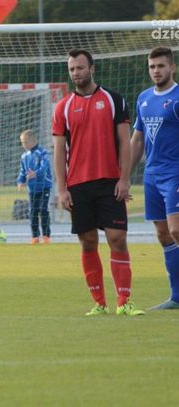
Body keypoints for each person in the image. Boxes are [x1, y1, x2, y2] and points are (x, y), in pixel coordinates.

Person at [52, 49, 144, 316]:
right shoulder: (63, 107)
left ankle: (124, 301)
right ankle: (99, 303)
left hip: (109, 182)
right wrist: (62, 189)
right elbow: (59, 151)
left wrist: (125, 179)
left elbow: (124, 143)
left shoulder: (114, 100)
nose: (76, 73)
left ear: (92, 69)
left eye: (80, 67)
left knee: (117, 238)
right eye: (72, 69)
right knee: (88, 241)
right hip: (78, 184)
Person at [131, 46, 179, 310]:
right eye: (152, 67)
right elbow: (137, 140)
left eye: (161, 66)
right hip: (151, 175)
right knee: (163, 234)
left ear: (172, 67)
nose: (156, 71)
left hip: (175, 173)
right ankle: (176, 296)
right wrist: (124, 176)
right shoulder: (144, 98)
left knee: (176, 229)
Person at [16, 129, 52, 244]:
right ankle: (35, 236)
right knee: (33, 212)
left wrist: (36, 173)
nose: (23, 145)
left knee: (43, 210)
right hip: (32, 189)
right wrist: (20, 181)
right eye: (22, 142)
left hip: (44, 187)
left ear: (33, 141)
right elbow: (23, 171)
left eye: (25, 142)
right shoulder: (24, 156)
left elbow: (45, 167)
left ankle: (46, 236)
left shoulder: (43, 153)